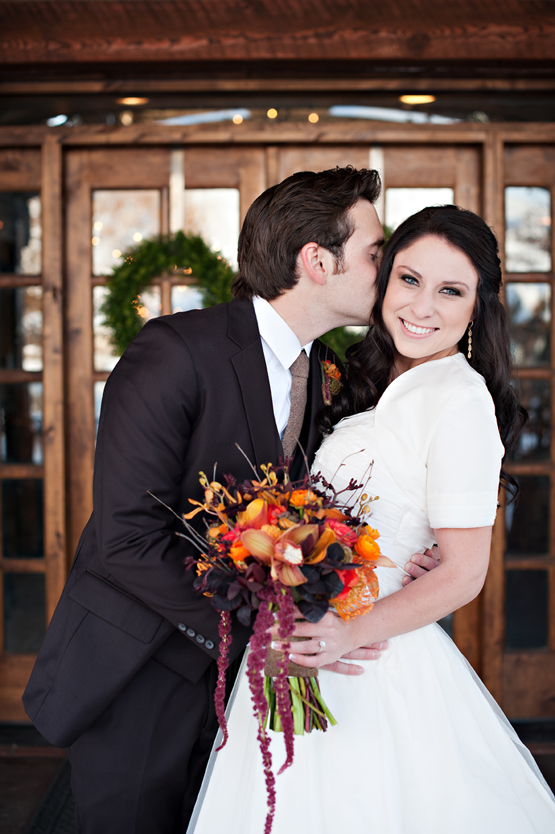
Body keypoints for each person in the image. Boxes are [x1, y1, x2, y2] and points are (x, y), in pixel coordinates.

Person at [22, 166, 438, 834]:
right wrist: (257, 632)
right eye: (373, 252)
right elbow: (126, 540)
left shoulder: (320, 371)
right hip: (142, 667)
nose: (386, 270)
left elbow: (322, 512)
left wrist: (400, 558)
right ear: (316, 261)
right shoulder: (175, 351)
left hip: (241, 687)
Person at [187, 205, 555, 834]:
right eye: (408, 279)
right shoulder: (371, 376)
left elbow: (465, 574)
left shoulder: (459, 398)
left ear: (476, 310)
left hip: (370, 657)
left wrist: (345, 635)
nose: (422, 307)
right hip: (306, 638)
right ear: (384, 282)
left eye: (450, 291)